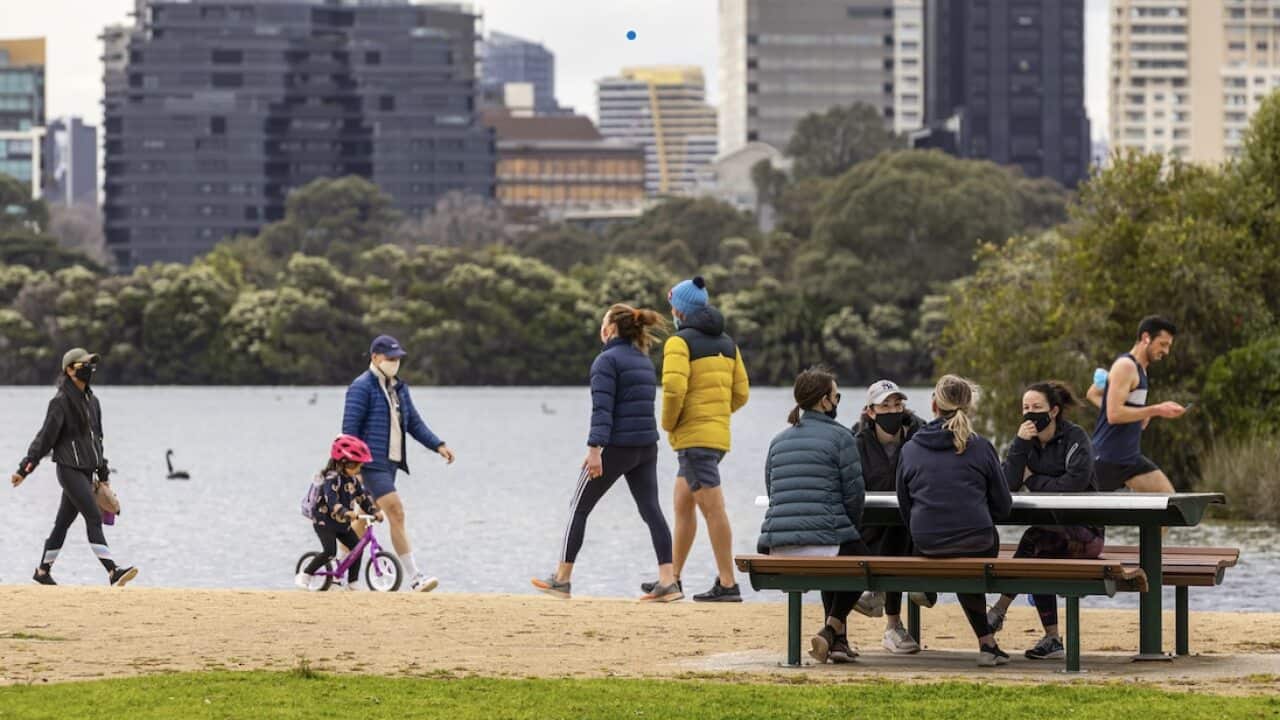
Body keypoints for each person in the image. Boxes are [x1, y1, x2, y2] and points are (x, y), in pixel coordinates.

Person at [531, 304, 681, 602]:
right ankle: (668, 582)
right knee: (651, 510)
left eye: (603, 323)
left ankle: (562, 579)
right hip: (645, 447)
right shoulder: (642, 359)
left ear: (610, 329)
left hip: (616, 447)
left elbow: (603, 410)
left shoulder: (606, 361)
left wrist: (594, 451)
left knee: (579, 507)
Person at [896, 374, 1013, 666]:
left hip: (928, 543)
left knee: (957, 548)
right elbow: (1003, 506)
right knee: (969, 549)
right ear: (969, 406)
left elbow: (904, 507)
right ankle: (987, 645)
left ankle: (987, 642)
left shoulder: (910, 449)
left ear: (934, 405)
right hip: (977, 543)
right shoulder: (981, 446)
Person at [987, 381, 1103, 660]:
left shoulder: (1076, 438)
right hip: (1048, 534)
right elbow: (1007, 484)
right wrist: (1018, 444)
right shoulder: (1025, 444)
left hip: (1086, 534)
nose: (1030, 413)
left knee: (1033, 541)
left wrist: (1033, 478)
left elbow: (1073, 484)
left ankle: (999, 610)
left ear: (1053, 411)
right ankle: (1051, 639)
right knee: (1036, 546)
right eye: (1025, 408)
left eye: (1036, 408)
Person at [759, 367, 867, 663]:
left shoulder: (778, 441)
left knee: (836, 551)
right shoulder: (842, 437)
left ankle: (838, 642)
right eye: (837, 396)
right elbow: (855, 497)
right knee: (862, 561)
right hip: (824, 544)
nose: (837, 401)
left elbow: (772, 491)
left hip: (776, 548)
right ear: (824, 401)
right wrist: (848, 527)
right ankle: (831, 630)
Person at [11, 348, 138, 587]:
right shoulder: (60, 403)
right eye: (83, 364)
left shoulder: (93, 401)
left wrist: (103, 474)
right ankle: (113, 572)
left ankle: (42, 570)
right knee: (92, 515)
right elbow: (44, 439)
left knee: (62, 523)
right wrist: (24, 469)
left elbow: (98, 441)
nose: (89, 368)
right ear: (69, 370)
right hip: (69, 470)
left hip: (87, 471)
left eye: (91, 364)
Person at [660, 276, 750, 602]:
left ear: (680, 311)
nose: (671, 311)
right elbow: (742, 393)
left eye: (672, 306)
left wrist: (670, 424)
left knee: (713, 509)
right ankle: (672, 579)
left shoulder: (678, 343)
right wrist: (715, 415)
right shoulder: (728, 343)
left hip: (693, 439)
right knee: (683, 504)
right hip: (716, 438)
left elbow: (673, 390)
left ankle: (728, 584)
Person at [342, 334, 455, 593]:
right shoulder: (361, 387)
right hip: (369, 465)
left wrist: (438, 445)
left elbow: (414, 423)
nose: (394, 362)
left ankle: (342, 573)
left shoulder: (398, 389)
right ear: (375, 357)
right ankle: (415, 577)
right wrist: (352, 469)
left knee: (360, 519)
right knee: (396, 511)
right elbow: (349, 431)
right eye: (389, 358)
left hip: (390, 463)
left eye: (397, 358)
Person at [851, 379, 926, 654]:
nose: (893, 410)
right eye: (885, 405)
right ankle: (891, 622)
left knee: (899, 532)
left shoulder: (920, 435)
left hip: (910, 528)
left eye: (897, 404)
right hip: (870, 529)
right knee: (888, 535)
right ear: (871, 411)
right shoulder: (855, 442)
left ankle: (885, 609)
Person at [1086, 316, 1186, 493]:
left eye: (1169, 346)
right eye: (1163, 344)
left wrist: (1140, 415)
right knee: (1081, 518)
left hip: (1129, 459)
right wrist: (1156, 409)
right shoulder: (1126, 366)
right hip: (1107, 458)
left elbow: (1093, 393)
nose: (1166, 351)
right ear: (1146, 338)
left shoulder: (1142, 370)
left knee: (1170, 506)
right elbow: (1114, 414)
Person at [297, 435, 385, 591]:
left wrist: (374, 511)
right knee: (330, 552)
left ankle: (353, 582)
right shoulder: (331, 479)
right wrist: (344, 511)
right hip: (325, 522)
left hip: (342, 524)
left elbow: (362, 498)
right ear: (345, 463)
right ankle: (305, 574)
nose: (360, 469)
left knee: (357, 549)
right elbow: (331, 500)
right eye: (357, 465)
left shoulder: (353, 480)